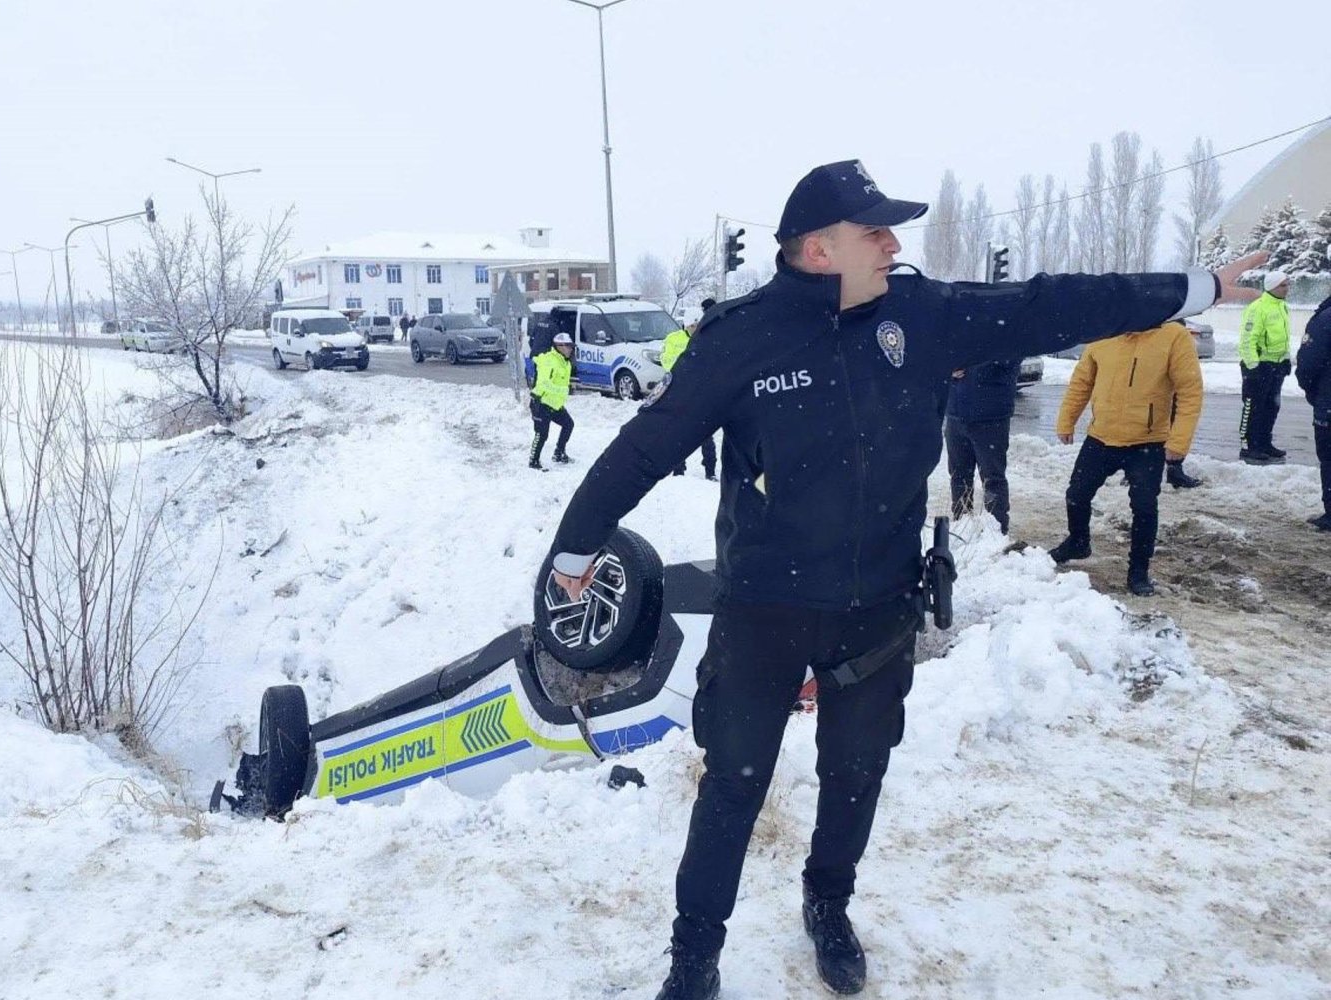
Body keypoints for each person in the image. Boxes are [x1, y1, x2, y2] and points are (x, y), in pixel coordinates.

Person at [540, 159, 1264, 1000]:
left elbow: (1050, 303)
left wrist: (1194, 286)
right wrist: (575, 546)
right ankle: (694, 955)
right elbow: (647, 445)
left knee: (856, 776)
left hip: (878, 607)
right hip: (764, 610)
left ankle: (828, 904)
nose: (893, 244)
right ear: (817, 249)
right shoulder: (741, 336)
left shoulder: (922, 316)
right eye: (873, 230)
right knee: (733, 786)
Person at [1047, 322, 1205, 596]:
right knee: (1076, 494)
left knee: (1144, 508)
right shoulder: (1104, 331)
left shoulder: (1173, 337)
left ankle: (1139, 570)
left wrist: (1179, 442)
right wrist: (1066, 421)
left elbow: (1190, 392)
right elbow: (1082, 382)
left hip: (1147, 441)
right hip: (1101, 437)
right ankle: (1078, 541)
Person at [944, 357, 1020, 533]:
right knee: (958, 475)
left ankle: (996, 531)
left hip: (991, 415)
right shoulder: (957, 329)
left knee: (992, 478)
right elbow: (940, 354)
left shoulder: (1002, 330)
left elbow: (1012, 357)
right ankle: (961, 526)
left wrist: (972, 365)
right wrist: (948, 368)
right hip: (956, 413)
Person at [1238, 270, 1292, 464]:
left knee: (1271, 406)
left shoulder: (1282, 307)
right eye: (1283, 285)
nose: (1287, 288)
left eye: (1288, 284)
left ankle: (1264, 442)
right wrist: (1253, 366)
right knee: (1253, 407)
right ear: (1272, 287)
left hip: (1276, 366)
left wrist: (1285, 359)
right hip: (1259, 365)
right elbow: (1247, 340)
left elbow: (1283, 337)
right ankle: (1249, 446)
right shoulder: (1258, 308)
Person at [663, 302, 719, 481]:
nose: (695, 328)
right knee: (679, 433)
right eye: (692, 325)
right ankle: (678, 469)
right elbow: (666, 361)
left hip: (703, 395)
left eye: (697, 324)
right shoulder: (673, 339)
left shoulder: (708, 337)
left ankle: (710, 470)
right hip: (680, 393)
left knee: (706, 436)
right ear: (686, 325)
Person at [1294, 293, 1331, 531]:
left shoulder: (1324, 319)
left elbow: (1308, 364)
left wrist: (1314, 392)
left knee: (1329, 459)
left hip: (1328, 404)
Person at [529, 331, 575, 471]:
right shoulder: (549, 361)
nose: (571, 349)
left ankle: (559, 453)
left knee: (568, 424)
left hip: (554, 404)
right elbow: (543, 384)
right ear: (559, 346)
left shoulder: (564, 362)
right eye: (568, 346)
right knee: (542, 434)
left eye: (571, 346)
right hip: (541, 403)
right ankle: (533, 461)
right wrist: (563, 390)